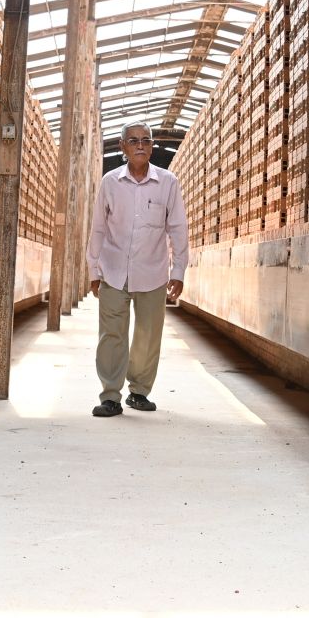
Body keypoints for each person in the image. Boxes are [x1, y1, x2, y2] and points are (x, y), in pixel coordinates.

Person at [86, 119, 189, 418]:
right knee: (111, 335)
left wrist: (178, 271)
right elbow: (98, 228)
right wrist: (93, 270)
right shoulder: (110, 182)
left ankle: (139, 392)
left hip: (152, 272)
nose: (140, 145)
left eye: (145, 140)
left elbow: (178, 228)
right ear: (122, 147)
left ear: (152, 146)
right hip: (113, 271)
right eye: (133, 140)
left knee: (148, 334)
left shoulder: (168, 182)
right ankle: (110, 396)